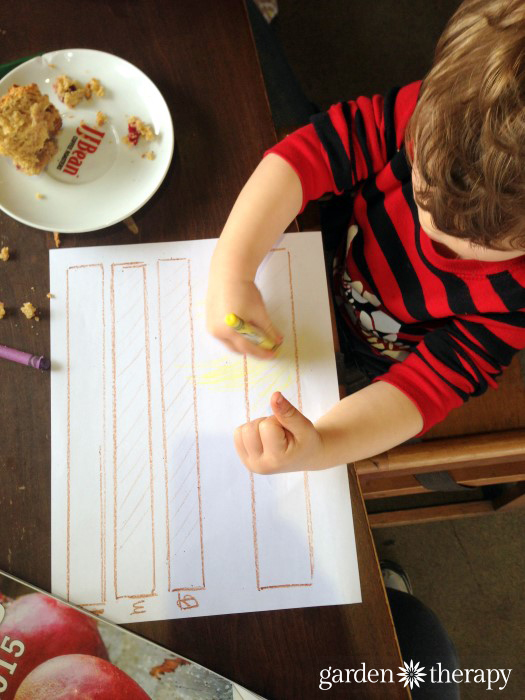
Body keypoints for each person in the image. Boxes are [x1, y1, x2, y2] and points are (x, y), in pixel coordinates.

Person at [206, 0, 525, 474]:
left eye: (477, 248)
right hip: (328, 247)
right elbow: (309, 152)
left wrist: (325, 447)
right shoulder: (443, 110)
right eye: (422, 189)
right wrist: (231, 270)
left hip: (377, 368)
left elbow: (428, 387)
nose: (432, 230)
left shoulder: (515, 298)